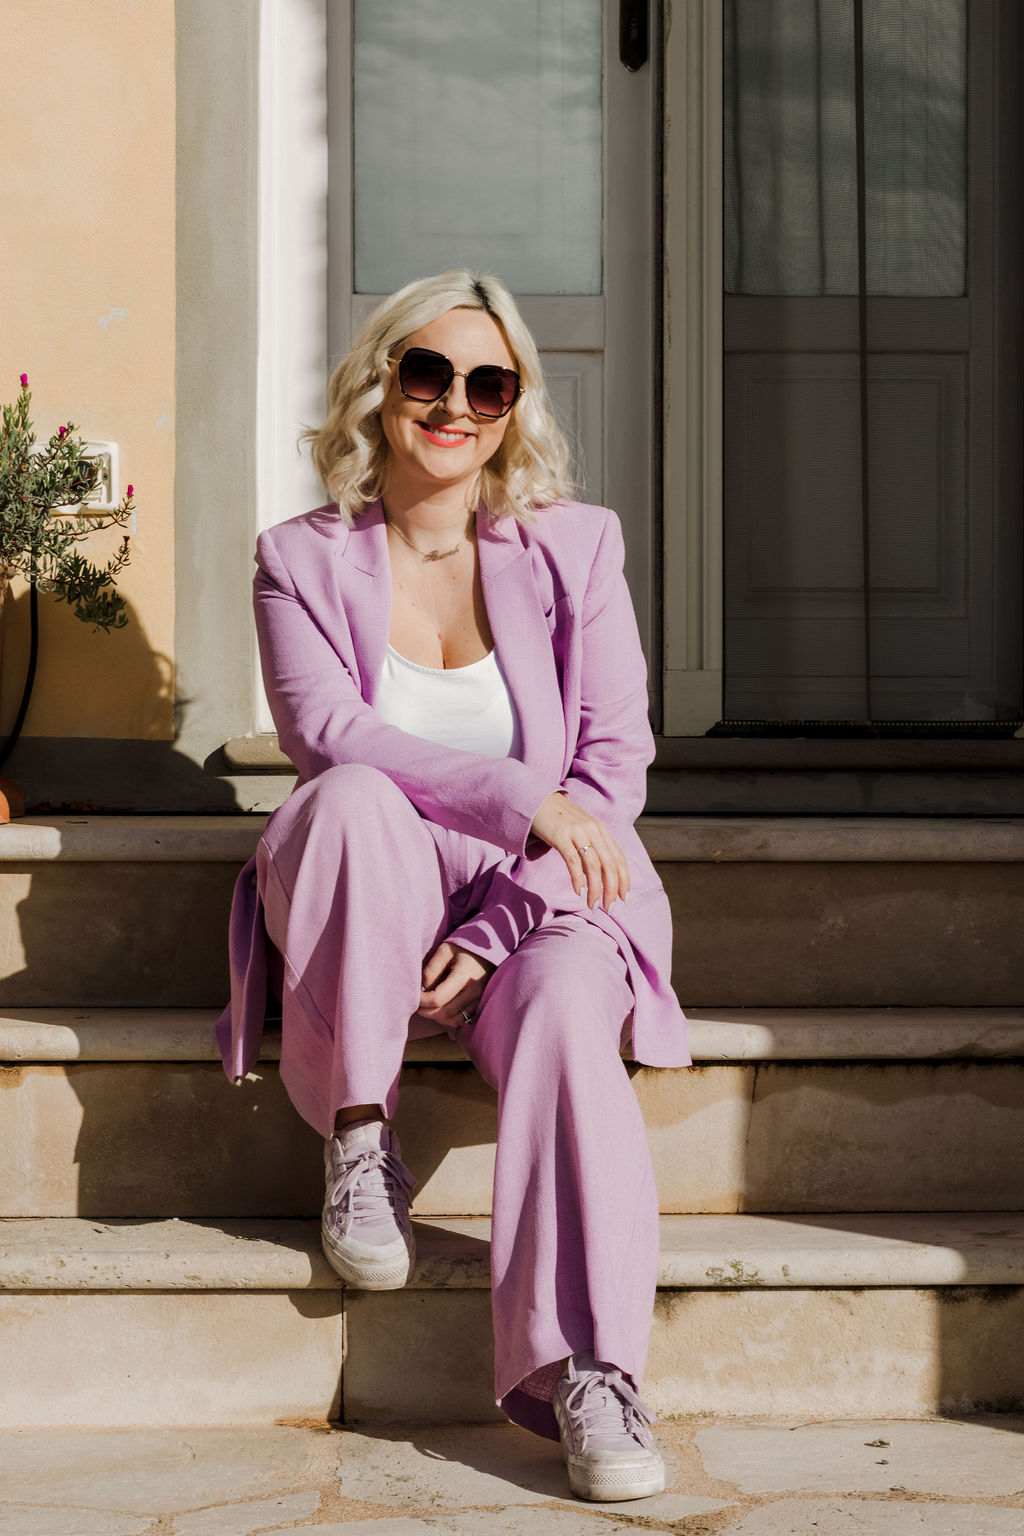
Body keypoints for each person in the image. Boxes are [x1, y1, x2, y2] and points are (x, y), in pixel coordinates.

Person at [216, 269, 691, 1504]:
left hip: (538, 893)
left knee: (569, 1019)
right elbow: (331, 737)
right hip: (367, 877)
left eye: (489, 383)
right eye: (427, 373)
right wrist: (515, 796)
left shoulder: (573, 548)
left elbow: (612, 764)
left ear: (513, 404)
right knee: (359, 800)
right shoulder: (297, 562)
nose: (455, 405)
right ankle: (361, 1137)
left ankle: (590, 1366)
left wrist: (502, 917)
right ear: (381, 386)